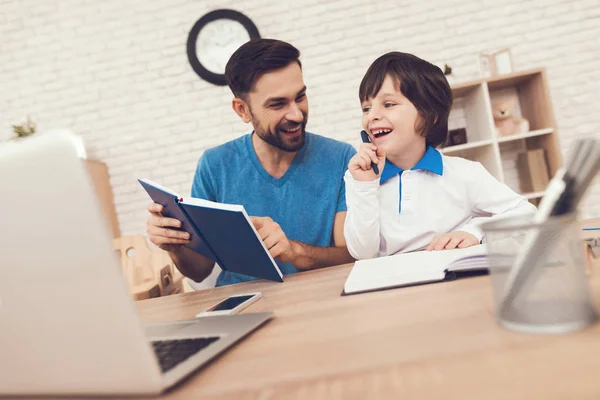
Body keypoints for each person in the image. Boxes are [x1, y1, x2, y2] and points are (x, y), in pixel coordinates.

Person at [146, 39, 356, 286]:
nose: (297, 114)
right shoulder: (215, 166)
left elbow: (350, 255)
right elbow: (200, 270)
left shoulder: (341, 158)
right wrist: (175, 246)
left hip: (315, 301)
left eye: (300, 97)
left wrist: (294, 251)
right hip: (239, 305)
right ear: (242, 110)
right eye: (278, 104)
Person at [344, 52, 536, 260]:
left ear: (430, 115)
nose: (372, 116)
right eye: (366, 108)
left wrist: (474, 231)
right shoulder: (360, 180)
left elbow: (526, 213)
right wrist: (365, 186)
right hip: (390, 285)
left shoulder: (464, 173)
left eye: (388, 104)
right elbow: (362, 253)